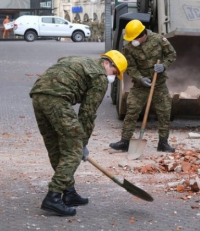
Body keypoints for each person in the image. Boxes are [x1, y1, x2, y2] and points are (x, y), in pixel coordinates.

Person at [29, 50, 127, 216]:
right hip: (57, 99)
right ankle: (53, 197)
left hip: (38, 95)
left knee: (56, 147)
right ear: (106, 63)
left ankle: (69, 193)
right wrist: (82, 143)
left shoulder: (82, 60)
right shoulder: (100, 77)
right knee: (73, 150)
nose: (112, 77)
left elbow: (61, 62)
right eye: (114, 72)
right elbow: (87, 113)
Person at [110, 20, 177, 153]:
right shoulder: (129, 48)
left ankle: (163, 143)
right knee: (132, 110)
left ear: (143, 34)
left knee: (164, 112)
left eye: (135, 38)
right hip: (140, 85)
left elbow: (171, 54)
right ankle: (125, 141)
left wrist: (164, 65)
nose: (133, 41)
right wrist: (140, 79)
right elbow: (130, 67)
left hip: (159, 83)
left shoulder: (159, 40)